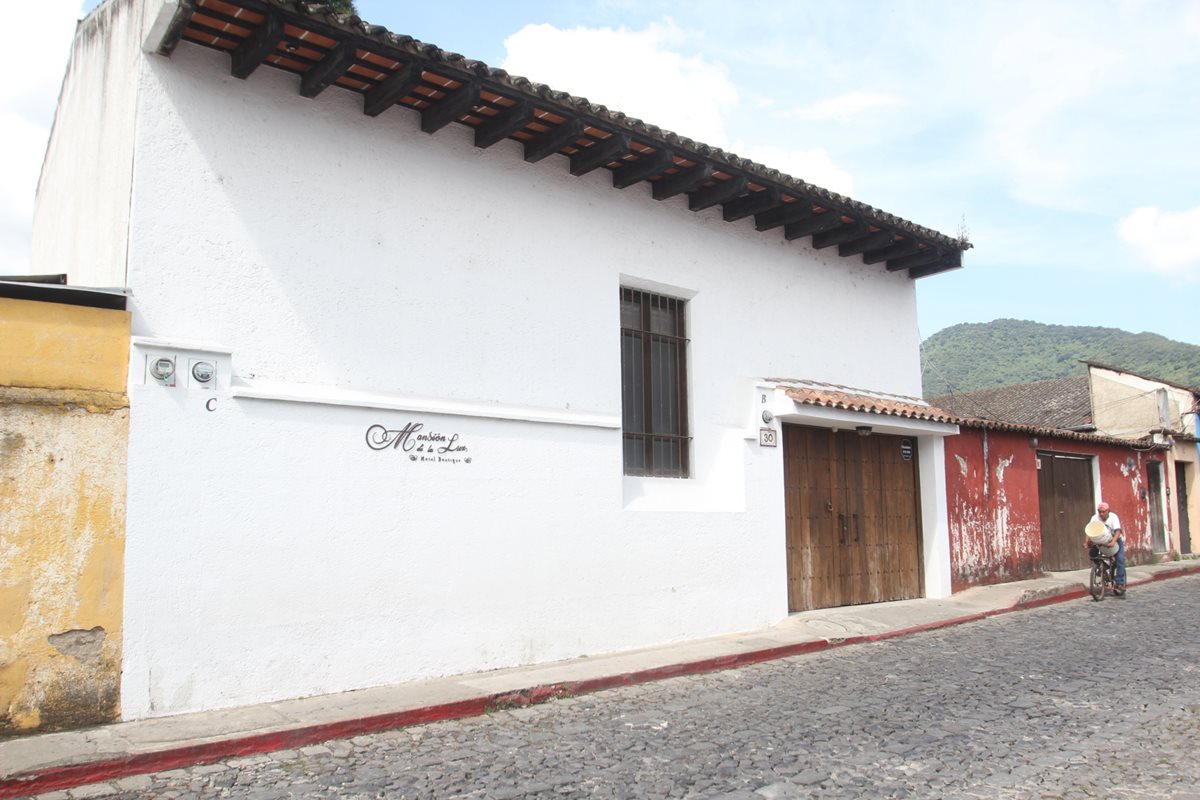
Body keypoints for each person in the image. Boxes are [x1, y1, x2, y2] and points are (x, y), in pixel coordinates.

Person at [1083, 501, 1125, 595]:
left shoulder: (1113, 517)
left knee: (1120, 560)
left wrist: (1113, 541)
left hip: (1115, 539)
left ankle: (1119, 582)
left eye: (1103, 512)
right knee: (1092, 554)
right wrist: (1086, 542)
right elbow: (1089, 531)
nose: (1101, 514)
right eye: (1100, 512)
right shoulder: (1095, 518)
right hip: (1100, 541)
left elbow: (1118, 531)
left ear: (1108, 511)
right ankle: (1102, 567)